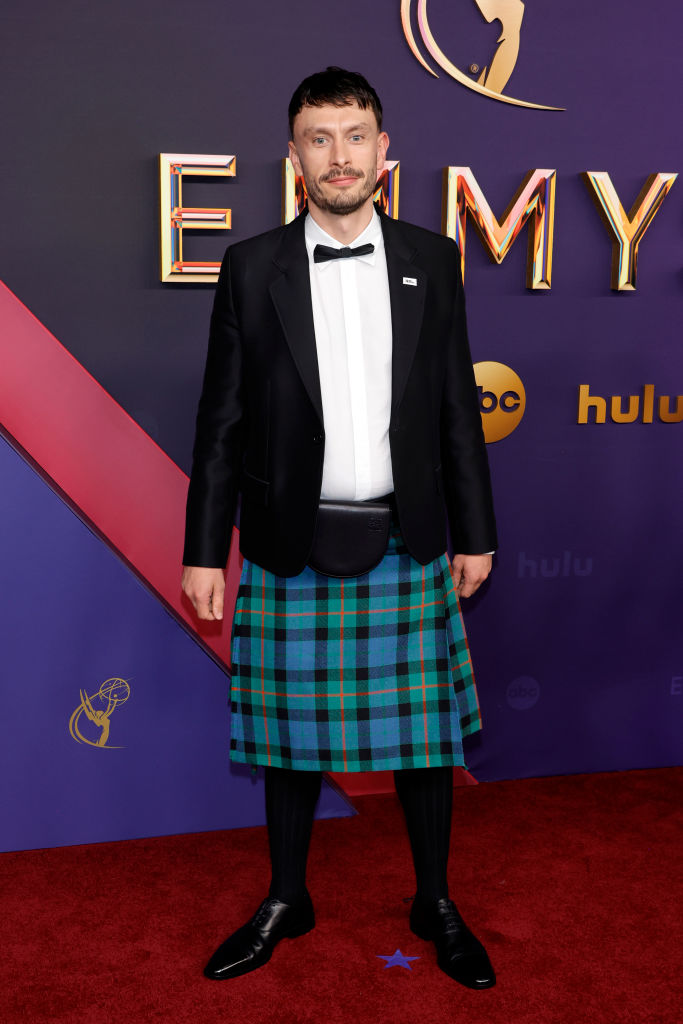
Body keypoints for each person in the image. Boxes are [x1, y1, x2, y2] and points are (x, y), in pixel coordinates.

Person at [181, 66, 498, 990]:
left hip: (407, 539)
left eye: (354, 135)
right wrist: (207, 548)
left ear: (382, 149)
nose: (338, 155)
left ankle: (433, 899)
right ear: (293, 157)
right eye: (318, 138)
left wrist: (474, 530)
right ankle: (287, 896)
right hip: (288, 542)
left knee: (425, 738)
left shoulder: (433, 258)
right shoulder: (250, 267)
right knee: (286, 737)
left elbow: (453, 412)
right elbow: (220, 421)